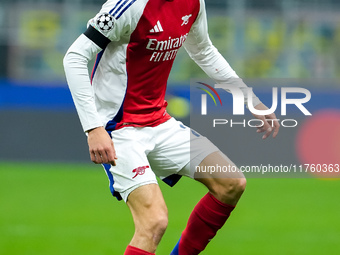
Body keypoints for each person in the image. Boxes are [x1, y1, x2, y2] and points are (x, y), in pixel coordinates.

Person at [63, 0, 280, 254]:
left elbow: (204, 50)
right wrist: (94, 128)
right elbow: (75, 57)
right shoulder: (127, 6)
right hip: (118, 128)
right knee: (154, 222)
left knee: (231, 183)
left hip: (159, 122)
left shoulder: (194, 3)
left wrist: (247, 97)